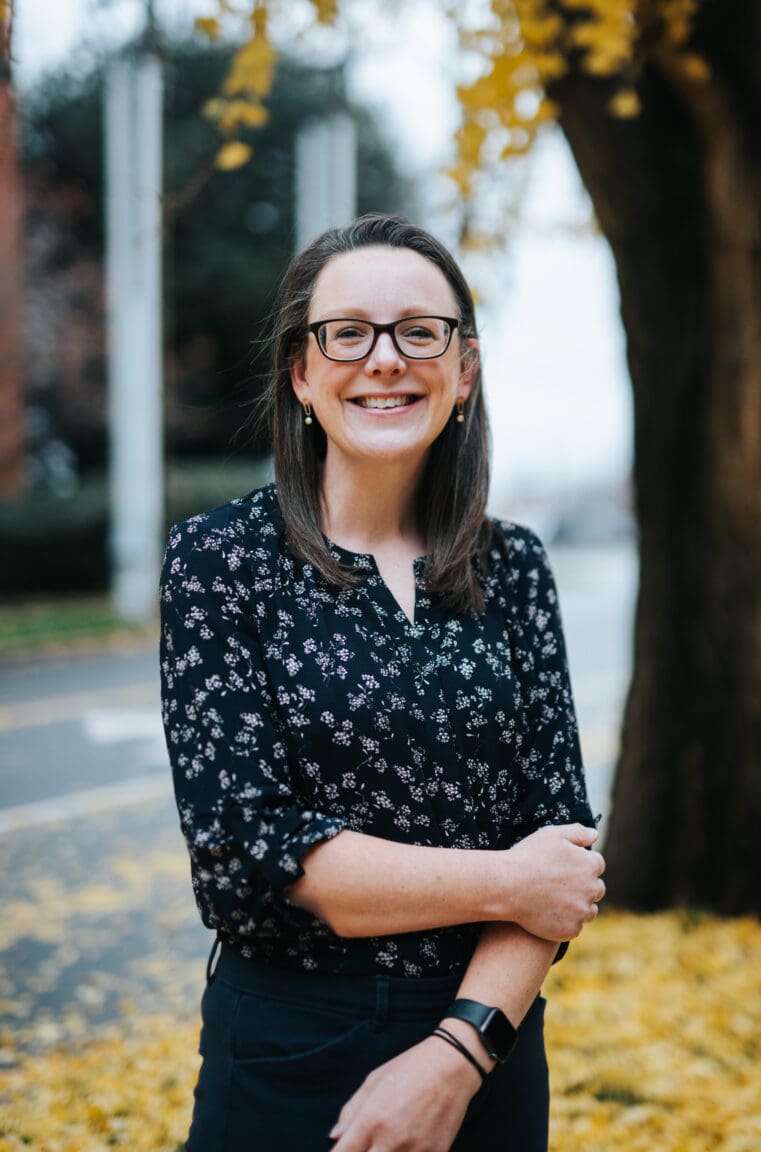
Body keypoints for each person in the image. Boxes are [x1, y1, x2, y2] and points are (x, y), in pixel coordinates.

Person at [159, 213, 606, 1152]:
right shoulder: (217, 562)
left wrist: (460, 1050)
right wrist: (508, 880)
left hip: (491, 1051)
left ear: (465, 370)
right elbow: (253, 855)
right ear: (302, 373)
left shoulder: (514, 566)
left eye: (419, 331)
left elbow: (561, 857)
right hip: (287, 1055)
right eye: (348, 333)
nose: (385, 359)